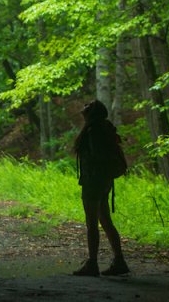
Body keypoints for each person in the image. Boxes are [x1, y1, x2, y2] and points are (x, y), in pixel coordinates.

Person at [72, 100, 129, 276]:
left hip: (93, 181)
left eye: (87, 105)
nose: (83, 106)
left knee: (92, 223)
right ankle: (119, 261)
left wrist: (92, 174)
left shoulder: (93, 130)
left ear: (91, 112)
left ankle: (92, 264)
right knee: (105, 220)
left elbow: (96, 156)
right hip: (104, 181)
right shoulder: (104, 127)